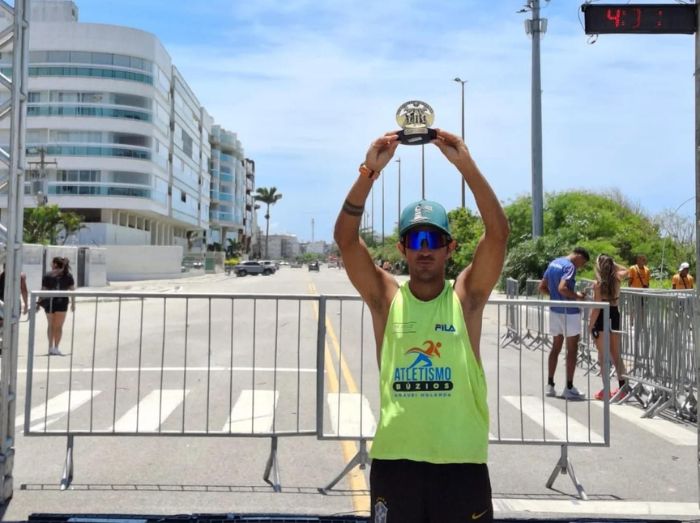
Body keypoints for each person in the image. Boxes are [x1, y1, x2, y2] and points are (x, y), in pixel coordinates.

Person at [334, 129, 508, 523]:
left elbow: (498, 235)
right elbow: (346, 242)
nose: (425, 247)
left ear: (450, 247)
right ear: (402, 249)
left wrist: (465, 164)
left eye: (434, 238)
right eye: (415, 239)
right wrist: (368, 173)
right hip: (397, 463)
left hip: (461, 464)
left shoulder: (465, 298)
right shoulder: (386, 298)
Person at [538, 247, 590, 400]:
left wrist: (554, 297)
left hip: (555, 310)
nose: (581, 267)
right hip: (569, 312)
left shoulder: (554, 263)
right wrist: (577, 296)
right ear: (579, 256)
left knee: (555, 347)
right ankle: (568, 387)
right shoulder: (570, 266)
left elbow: (542, 287)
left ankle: (550, 385)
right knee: (572, 349)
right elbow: (563, 288)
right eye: (583, 263)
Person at [588, 254, 628, 400]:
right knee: (616, 354)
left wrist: (590, 325)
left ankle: (606, 388)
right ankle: (623, 387)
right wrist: (613, 264)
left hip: (602, 315)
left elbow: (596, 307)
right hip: (614, 313)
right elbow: (627, 270)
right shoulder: (617, 277)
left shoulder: (597, 283)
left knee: (603, 355)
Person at [39, 256, 75, 355]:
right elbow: (72, 290)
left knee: (50, 325)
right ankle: (56, 348)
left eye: (52, 262)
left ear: (55, 264)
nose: (50, 264)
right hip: (62, 303)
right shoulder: (68, 275)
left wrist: (38, 303)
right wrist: (73, 303)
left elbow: (43, 290)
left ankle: (50, 347)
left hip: (49, 303)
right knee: (58, 326)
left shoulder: (47, 275)